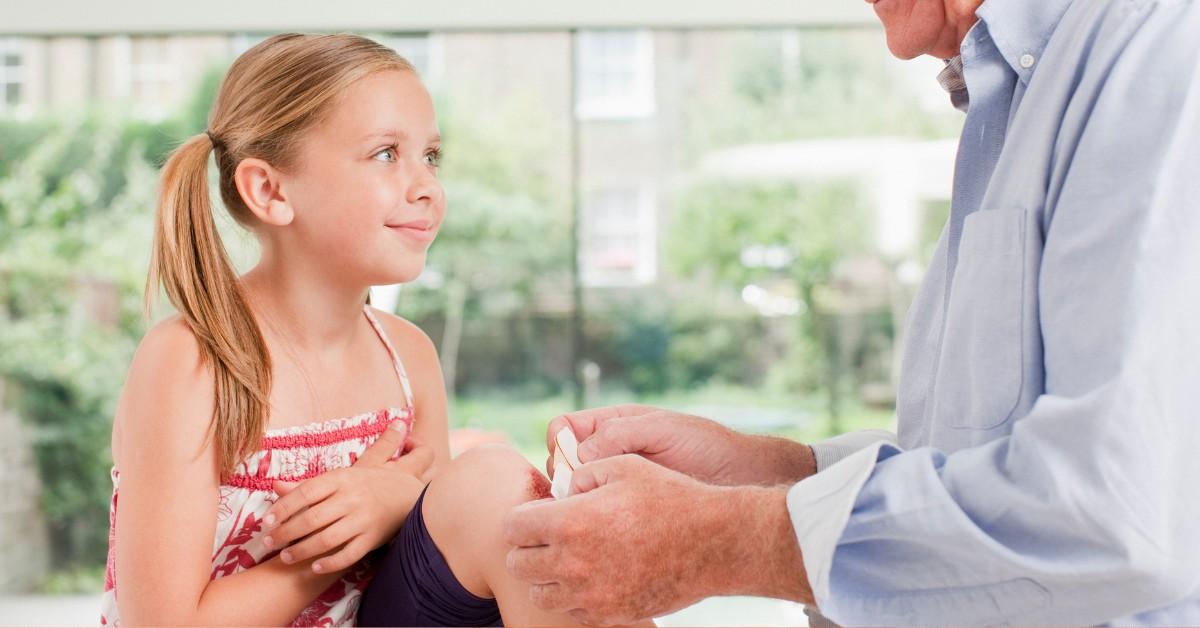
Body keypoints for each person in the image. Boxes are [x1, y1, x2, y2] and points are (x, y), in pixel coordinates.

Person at [502, 0, 1200, 624]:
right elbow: (977, 462)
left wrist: (720, 538)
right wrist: (772, 469)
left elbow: (1113, 510)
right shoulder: (1007, 94)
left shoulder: (1160, 47)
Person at [101, 33, 643, 627]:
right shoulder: (193, 362)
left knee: (499, 485)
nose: (426, 186)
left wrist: (402, 502)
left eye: (430, 157)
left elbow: (437, 542)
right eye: (387, 153)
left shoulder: (408, 355)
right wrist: (333, 544)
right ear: (270, 190)